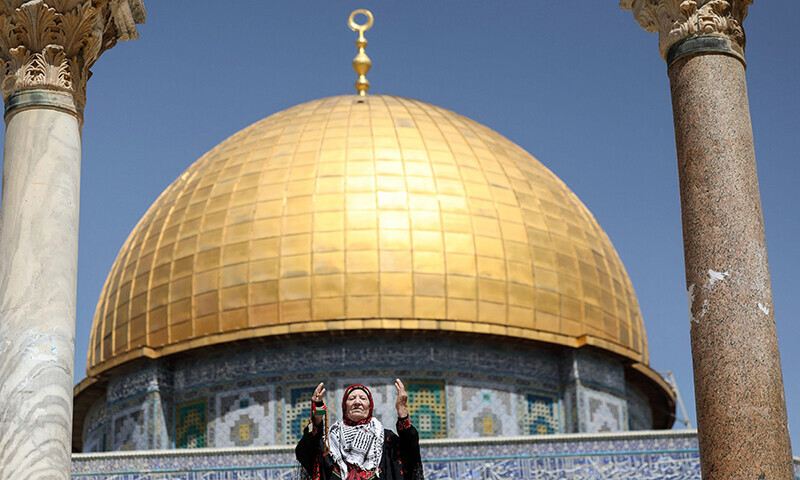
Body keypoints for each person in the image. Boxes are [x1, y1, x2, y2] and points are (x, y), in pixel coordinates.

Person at [295, 379, 424, 480]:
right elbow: (305, 453)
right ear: (344, 407)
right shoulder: (330, 442)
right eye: (351, 399)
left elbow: (410, 451)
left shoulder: (385, 439)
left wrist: (402, 409)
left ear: (370, 406)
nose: (357, 402)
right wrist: (317, 415)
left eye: (363, 398)